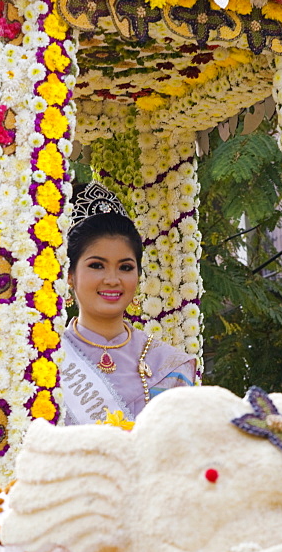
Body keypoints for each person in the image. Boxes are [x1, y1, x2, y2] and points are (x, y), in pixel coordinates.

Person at [63, 182, 196, 425]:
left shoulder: (169, 366)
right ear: (70, 274)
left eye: (125, 267)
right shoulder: (47, 360)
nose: (112, 280)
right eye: (96, 265)